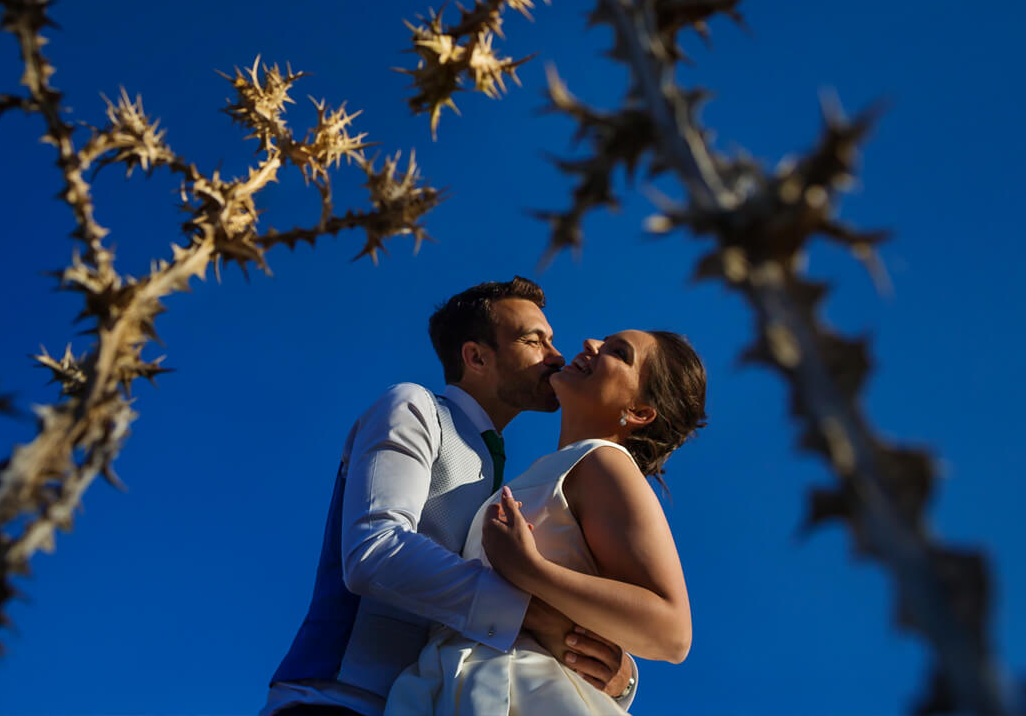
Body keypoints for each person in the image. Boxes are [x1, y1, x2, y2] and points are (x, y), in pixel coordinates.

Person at [262, 277, 638, 716]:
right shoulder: (413, 406)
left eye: (551, 341)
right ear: (476, 356)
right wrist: (532, 615)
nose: (556, 357)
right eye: (534, 341)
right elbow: (375, 550)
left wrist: (617, 674)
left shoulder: (517, 482)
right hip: (338, 698)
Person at [383, 328, 709, 716]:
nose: (590, 344)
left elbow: (672, 633)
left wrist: (531, 570)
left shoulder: (605, 461)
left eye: (618, 353)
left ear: (639, 412)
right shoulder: (562, 467)